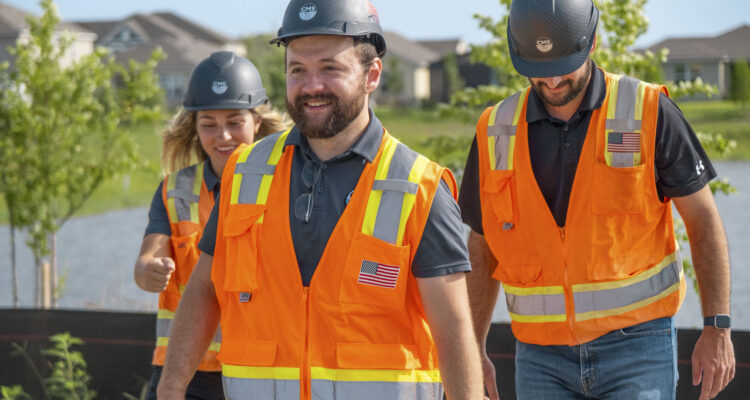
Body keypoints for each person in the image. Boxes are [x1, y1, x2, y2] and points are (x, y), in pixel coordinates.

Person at [155, 1, 484, 399]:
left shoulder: (419, 188)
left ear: (371, 75)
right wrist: (170, 389)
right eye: (298, 70)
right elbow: (204, 291)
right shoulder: (245, 173)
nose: (312, 86)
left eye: (330, 68)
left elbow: (453, 333)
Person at [459, 0, 735, 399]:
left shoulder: (649, 111)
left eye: (562, 68)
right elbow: (482, 248)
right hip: (540, 355)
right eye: (539, 72)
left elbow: (704, 221)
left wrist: (717, 326)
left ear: (591, 45)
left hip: (637, 347)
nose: (552, 83)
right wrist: (472, 346)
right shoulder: (494, 131)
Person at [133, 51, 288, 400]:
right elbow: (144, 266)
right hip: (182, 372)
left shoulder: (285, 187)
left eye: (235, 122)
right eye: (208, 124)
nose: (223, 137)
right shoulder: (175, 191)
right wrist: (150, 272)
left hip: (259, 369)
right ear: (194, 126)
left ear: (257, 123)